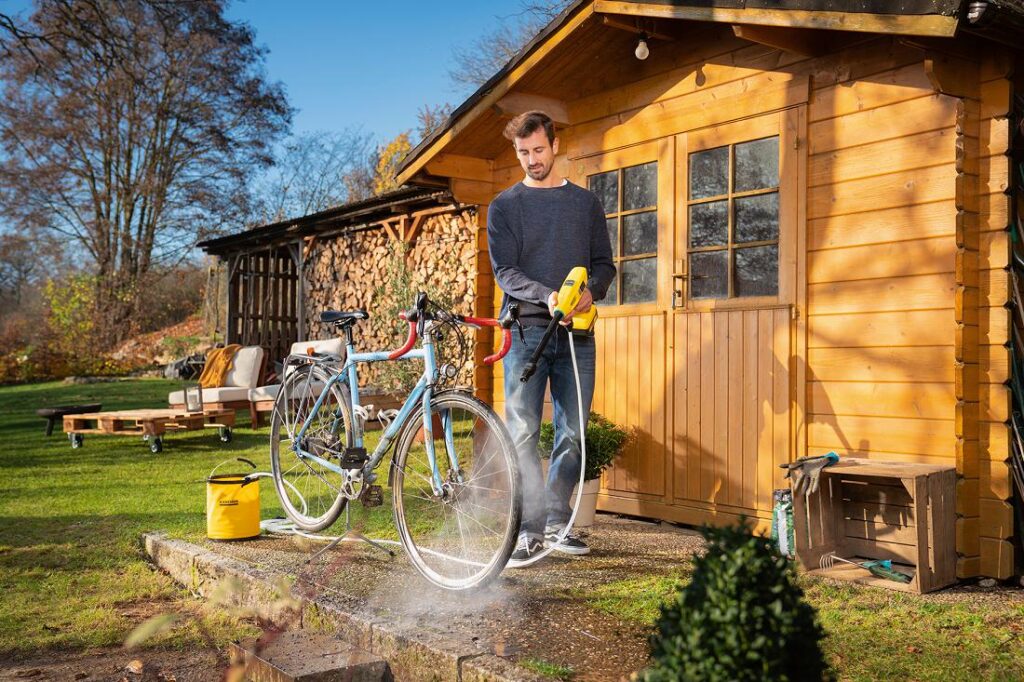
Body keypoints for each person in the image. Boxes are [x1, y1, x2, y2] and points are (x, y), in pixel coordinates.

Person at [486, 110, 616, 562]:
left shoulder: (585, 205)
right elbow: (506, 272)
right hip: (525, 331)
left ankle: (560, 524)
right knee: (522, 431)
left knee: (573, 431)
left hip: (576, 334)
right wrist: (549, 296)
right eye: (523, 153)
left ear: (555, 146)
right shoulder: (505, 206)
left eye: (538, 150)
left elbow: (604, 264)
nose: (531, 160)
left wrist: (588, 293)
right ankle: (527, 530)